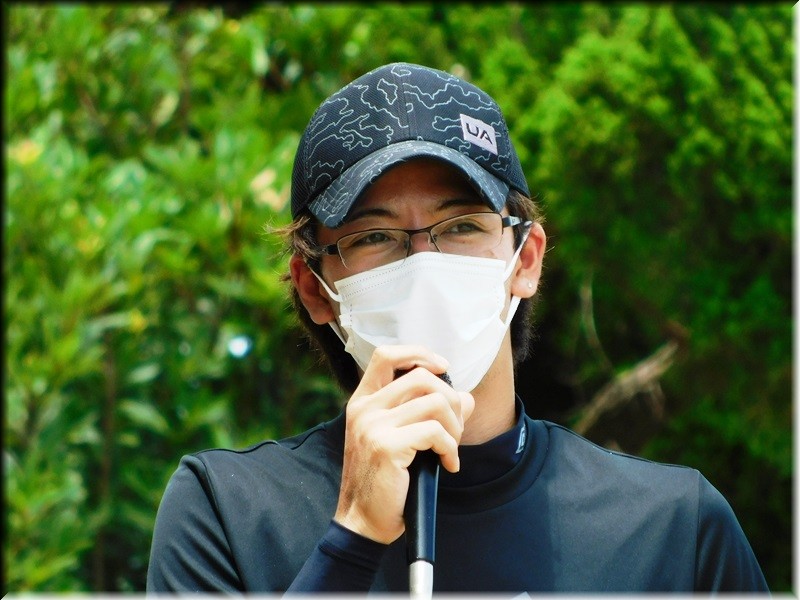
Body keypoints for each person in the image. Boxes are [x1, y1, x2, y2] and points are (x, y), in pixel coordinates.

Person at [146, 62, 768, 593]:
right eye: (374, 236)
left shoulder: (673, 529)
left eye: (462, 226)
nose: (424, 264)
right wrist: (353, 539)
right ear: (315, 287)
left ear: (525, 259)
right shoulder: (227, 513)